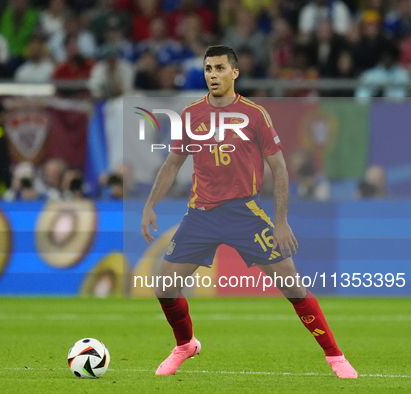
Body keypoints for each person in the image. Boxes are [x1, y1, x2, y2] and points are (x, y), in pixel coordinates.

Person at [140, 45, 358, 378]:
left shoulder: (255, 114)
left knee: (293, 288)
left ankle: (335, 356)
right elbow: (172, 164)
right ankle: (185, 345)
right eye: (208, 68)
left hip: (245, 213)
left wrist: (281, 221)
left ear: (234, 73)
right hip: (200, 214)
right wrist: (149, 205)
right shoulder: (191, 114)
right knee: (165, 288)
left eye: (219, 68)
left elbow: (280, 168)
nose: (213, 74)